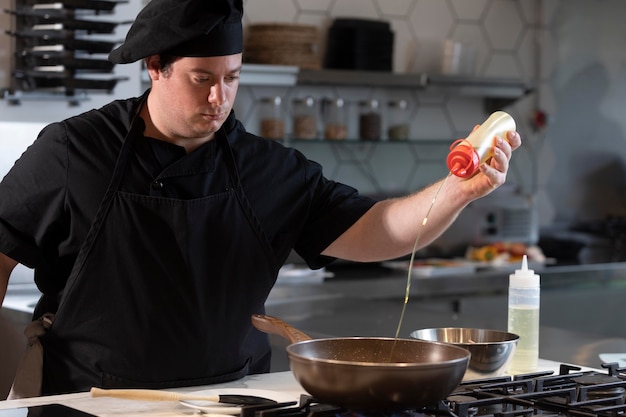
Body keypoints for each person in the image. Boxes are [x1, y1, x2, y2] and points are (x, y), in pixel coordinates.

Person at [0, 0, 521, 397]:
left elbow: (377, 229)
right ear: (155, 66)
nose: (218, 98)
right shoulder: (74, 151)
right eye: (201, 79)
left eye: (231, 78)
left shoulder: (265, 168)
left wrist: (457, 192)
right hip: (94, 401)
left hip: (233, 399)